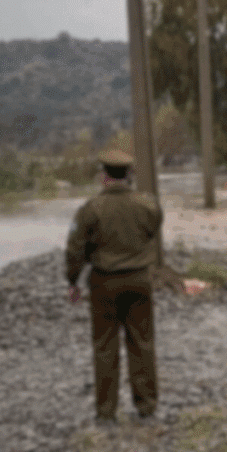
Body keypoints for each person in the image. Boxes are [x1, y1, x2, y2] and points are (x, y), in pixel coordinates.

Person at [66, 148, 163, 425]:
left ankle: (106, 412)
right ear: (129, 174)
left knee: (105, 347)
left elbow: (75, 249)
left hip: (104, 283)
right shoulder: (148, 205)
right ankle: (146, 407)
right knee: (142, 343)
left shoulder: (91, 208)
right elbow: (152, 231)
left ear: (103, 176)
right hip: (139, 280)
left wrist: (73, 281)